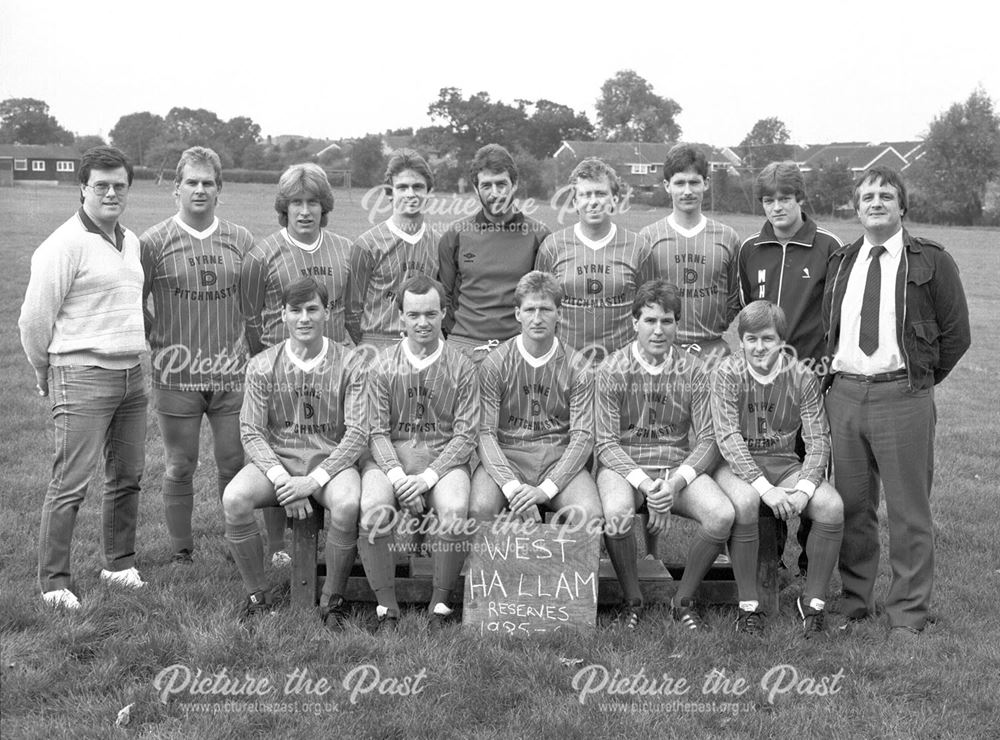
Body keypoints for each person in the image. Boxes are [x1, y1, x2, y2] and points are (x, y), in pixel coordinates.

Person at [823, 166, 971, 641]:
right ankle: (855, 600)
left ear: (902, 206)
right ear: (856, 208)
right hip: (844, 394)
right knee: (851, 507)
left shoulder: (931, 260)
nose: (876, 202)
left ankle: (908, 611)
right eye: (867, 196)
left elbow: (956, 335)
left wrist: (918, 382)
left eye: (886, 195)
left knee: (909, 510)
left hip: (902, 395)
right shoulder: (843, 260)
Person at [19, 146, 147, 608]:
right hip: (82, 375)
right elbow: (34, 319)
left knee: (127, 476)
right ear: (83, 188)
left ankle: (119, 564)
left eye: (119, 185)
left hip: (133, 376)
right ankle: (54, 583)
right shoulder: (63, 244)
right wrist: (43, 369)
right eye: (101, 185)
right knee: (70, 483)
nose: (111, 193)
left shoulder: (130, 241)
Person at [222, 278, 366, 624]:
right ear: (283, 314)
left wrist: (312, 482)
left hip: (330, 461)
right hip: (280, 460)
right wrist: (284, 481)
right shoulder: (261, 365)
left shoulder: (352, 362)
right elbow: (252, 431)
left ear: (327, 312)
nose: (304, 318)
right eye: (296, 310)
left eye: (313, 309)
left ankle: (333, 600)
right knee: (234, 498)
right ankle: (258, 597)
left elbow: (359, 433)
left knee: (347, 504)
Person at [596, 279, 732, 630]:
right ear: (634, 322)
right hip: (625, 465)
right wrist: (646, 485)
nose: (659, 330)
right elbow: (607, 443)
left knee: (720, 514)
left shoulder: (695, 370)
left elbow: (708, 440)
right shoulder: (612, 368)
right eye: (650, 320)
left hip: (675, 465)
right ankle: (632, 599)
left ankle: (683, 599)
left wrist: (672, 484)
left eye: (667, 321)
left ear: (677, 324)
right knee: (617, 513)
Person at [140, 146, 255, 564]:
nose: (200, 189)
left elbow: (255, 302)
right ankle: (181, 551)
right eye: (192, 182)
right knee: (180, 465)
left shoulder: (241, 239)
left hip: (230, 373)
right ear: (176, 188)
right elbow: (136, 302)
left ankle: (235, 540)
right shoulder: (152, 242)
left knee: (232, 461)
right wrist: (160, 339)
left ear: (220, 189)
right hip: (178, 374)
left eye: (208, 182)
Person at [241, 162, 354, 565]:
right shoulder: (261, 255)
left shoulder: (345, 249)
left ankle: (335, 542)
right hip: (279, 372)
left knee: (330, 448)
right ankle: (277, 548)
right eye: (296, 203)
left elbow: (352, 310)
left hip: (332, 371)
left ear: (325, 207)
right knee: (275, 446)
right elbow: (251, 317)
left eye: (313, 202)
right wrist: (269, 358)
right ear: (283, 207)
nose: (305, 211)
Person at [737, 161, 844, 576]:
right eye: (768, 199)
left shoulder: (828, 245)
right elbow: (752, 311)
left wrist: (826, 366)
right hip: (762, 382)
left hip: (810, 378)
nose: (777, 207)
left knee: (809, 464)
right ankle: (771, 561)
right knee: (767, 461)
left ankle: (808, 562)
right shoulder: (751, 249)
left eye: (784, 198)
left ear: (800, 199)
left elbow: (836, 312)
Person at [712, 301, 844, 638]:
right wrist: (763, 488)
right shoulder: (726, 373)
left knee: (831, 506)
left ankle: (812, 603)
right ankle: (748, 607)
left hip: (784, 465)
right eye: (751, 339)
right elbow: (727, 438)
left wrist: (804, 489)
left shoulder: (802, 376)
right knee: (744, 503)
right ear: (740, 341)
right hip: (736, 467)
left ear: (781, 341)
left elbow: (818, 439)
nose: (758, 347)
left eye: (767, 339)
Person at [358, 275, 479, 630]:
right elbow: (376, 431)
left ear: (444, 312)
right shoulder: (381, 365)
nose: (422, 323)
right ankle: (386, 608)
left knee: (455, 510)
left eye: (430, 314)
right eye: (413, 315)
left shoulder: (463, 366)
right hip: (390, 459)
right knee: (373, 508)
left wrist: (427, 478)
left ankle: (439, 605)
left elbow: (466, 435)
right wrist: (398, 477)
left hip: (443, 460)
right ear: (401, 318)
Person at [470, 270, 601, 530]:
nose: (537, 318)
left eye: (546, 309)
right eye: (530, 310)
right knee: (480, 508)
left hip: (557, 458)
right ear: (518, 313)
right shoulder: (495, 363)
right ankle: (492, 570)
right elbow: (484, 434)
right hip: (508, 458)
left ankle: (566, 570)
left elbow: (583, 436)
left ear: (559, 314)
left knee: (590, 515)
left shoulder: (578, 367)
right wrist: (512, 487)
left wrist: (546, 490)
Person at [437, 144, 550, 365]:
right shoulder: (455, 236)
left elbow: (546, 298)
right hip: (463, 348)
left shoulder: (539, 236)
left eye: (501, 184)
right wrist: (458, 339)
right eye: (486, 185)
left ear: (514, 184)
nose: (495, 193)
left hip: (517, 349)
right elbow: (444, 297)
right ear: (475, 187)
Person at [535, 158, 651, 364]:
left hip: (623, 366)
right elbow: (541, 306)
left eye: (600, 193)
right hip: (565, 365)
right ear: (574, 202)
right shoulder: (552, 246)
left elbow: (649, 308)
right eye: (585, 194)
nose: (593, 201)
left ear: (615, 199)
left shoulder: (638, 248)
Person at [640, 144, 740, 365]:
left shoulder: (727, 237)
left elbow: (734, 298)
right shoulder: (648, 237)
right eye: (679, 183)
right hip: (662, 352)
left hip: (713, 353)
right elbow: (641, 298)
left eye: (694, 182)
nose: (687, 191)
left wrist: (712, 328)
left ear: (706, 183)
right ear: (667, 186)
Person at [347, 149, 439, 352]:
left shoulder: (439, 244)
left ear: (428, 193)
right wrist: (372, 345)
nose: (410, 194)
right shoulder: (367, 245)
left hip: (424, 347)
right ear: (389, 194)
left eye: (418, 187)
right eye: (402, 187)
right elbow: (352, 311)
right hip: (377, 346)